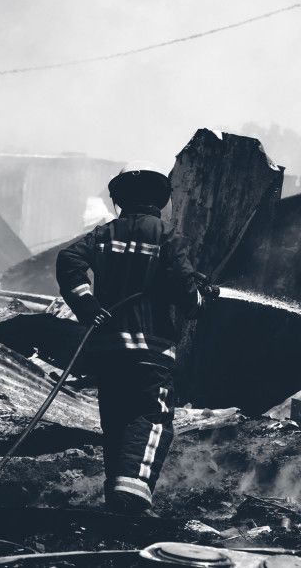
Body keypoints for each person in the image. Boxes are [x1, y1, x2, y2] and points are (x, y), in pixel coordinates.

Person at [56, 162, 217, 514]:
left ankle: (117, 497)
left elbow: (68, 260)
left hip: (108, 350)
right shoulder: (167, 236)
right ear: (159, 202)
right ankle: (133, 493)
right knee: (152, 417)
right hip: (150, 349)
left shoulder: (103, 235)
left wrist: (87, 303)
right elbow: (187, 296)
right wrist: (202, 297)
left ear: (120, 201)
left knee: (117, 421)